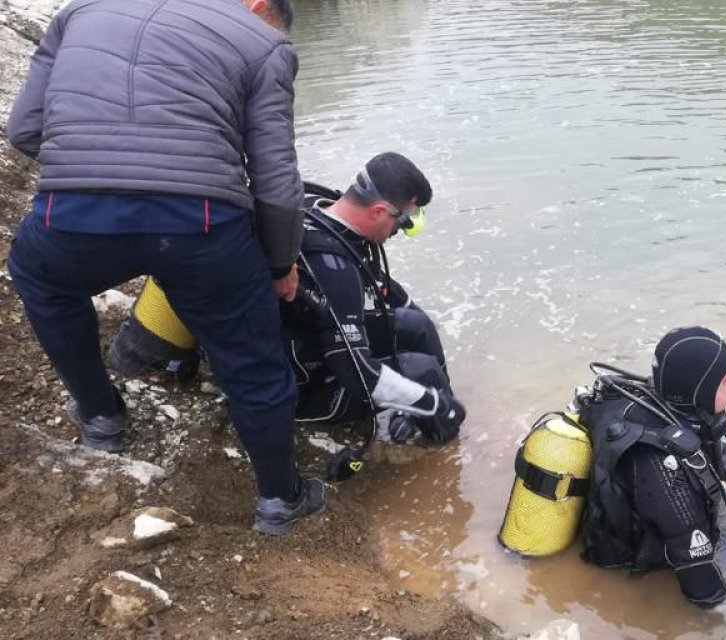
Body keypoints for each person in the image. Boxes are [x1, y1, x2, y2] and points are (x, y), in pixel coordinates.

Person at [5, 0, 323, 535]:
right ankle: (278, 500)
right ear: (259, 5)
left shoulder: (78, 10)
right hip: (199, 225)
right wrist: (279, 263)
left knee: (40, 276)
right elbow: (276, 182)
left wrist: (91, 165)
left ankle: (101, 417)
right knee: (252, 358)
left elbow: (23, 129)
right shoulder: (266, 43)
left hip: (73, 214)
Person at [283, 153, 466, 447]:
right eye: (404, 221)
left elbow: (387, 290)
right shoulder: (333, 268)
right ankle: (446, 445)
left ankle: (436, 410)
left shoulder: (323, 214)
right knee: (422, 372)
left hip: (314, 343)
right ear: (379, 211)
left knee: (417, 325)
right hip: (299, 390)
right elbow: (360, 375)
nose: (401, 231)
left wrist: (424, 399)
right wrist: (433, 403)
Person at [572, 326, 726, 608]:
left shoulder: (649, 402)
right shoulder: (667, 476)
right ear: (702, 388)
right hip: (639, 562)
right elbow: (707, 596)